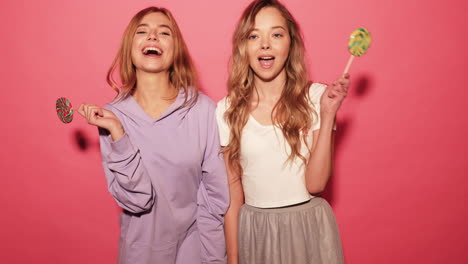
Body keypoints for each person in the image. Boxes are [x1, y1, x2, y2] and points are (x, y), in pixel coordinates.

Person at [78, 7, 229, 264]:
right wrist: (118, 133)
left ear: (176, 49)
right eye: (143, 31)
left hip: (195, 252)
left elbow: (216, 199)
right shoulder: (111, 117)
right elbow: (137, 201)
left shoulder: (202, 109)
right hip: (140, 254)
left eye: (164, 32)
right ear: (130, 46)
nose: (152, 37)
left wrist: (215, 260)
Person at [216, 0, 349, 263]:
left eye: (276, 34)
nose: (265, 44)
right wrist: (233, 257)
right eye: (254, 35)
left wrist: (328, 113)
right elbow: (232, 192)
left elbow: (316, 184)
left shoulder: (317, 97)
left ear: (291, 44)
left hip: (308, 227)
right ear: (244, 45)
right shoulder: (227, 109)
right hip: (255, 231)